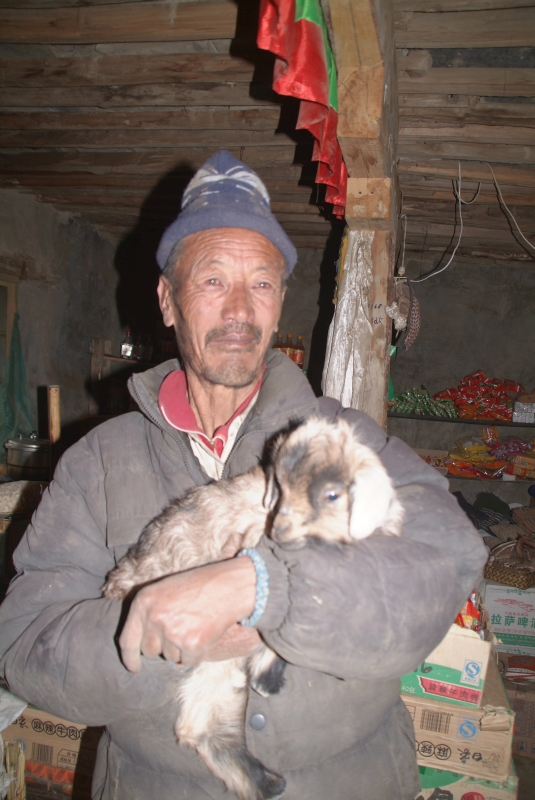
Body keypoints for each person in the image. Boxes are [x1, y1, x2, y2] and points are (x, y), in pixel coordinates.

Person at [0, 151, 487, 800]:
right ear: (167, 301)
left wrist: (263, 588)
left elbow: (450, 562)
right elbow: (27, 642)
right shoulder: (96, 463)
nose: (238, 308)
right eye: (211, 281)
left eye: (260, 283)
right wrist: (153, 634)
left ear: (280, 301)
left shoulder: (345, 440)